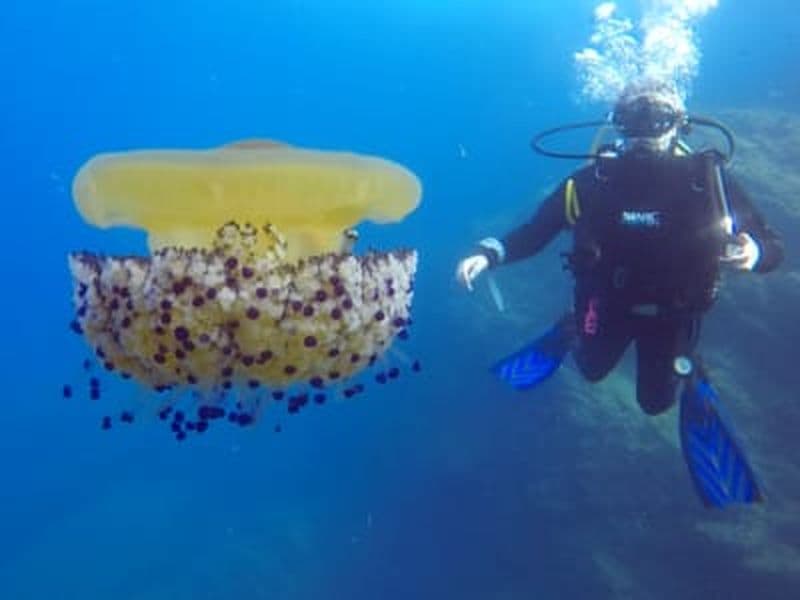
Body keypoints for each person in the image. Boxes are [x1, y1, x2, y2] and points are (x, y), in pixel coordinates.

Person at [456, 80, 784, 507]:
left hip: (674, 311)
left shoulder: (708, 182)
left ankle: (693, 372)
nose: (645, 133)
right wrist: (487, 254)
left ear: (679, 124)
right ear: (616, 124)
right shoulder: (590, 183)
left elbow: (772, 245)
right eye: (633, 120)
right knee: (591, 370)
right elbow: (536, 233)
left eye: (658, 120)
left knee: (654, 403)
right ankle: (571, 328)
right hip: (605, 303)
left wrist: (753, 252)